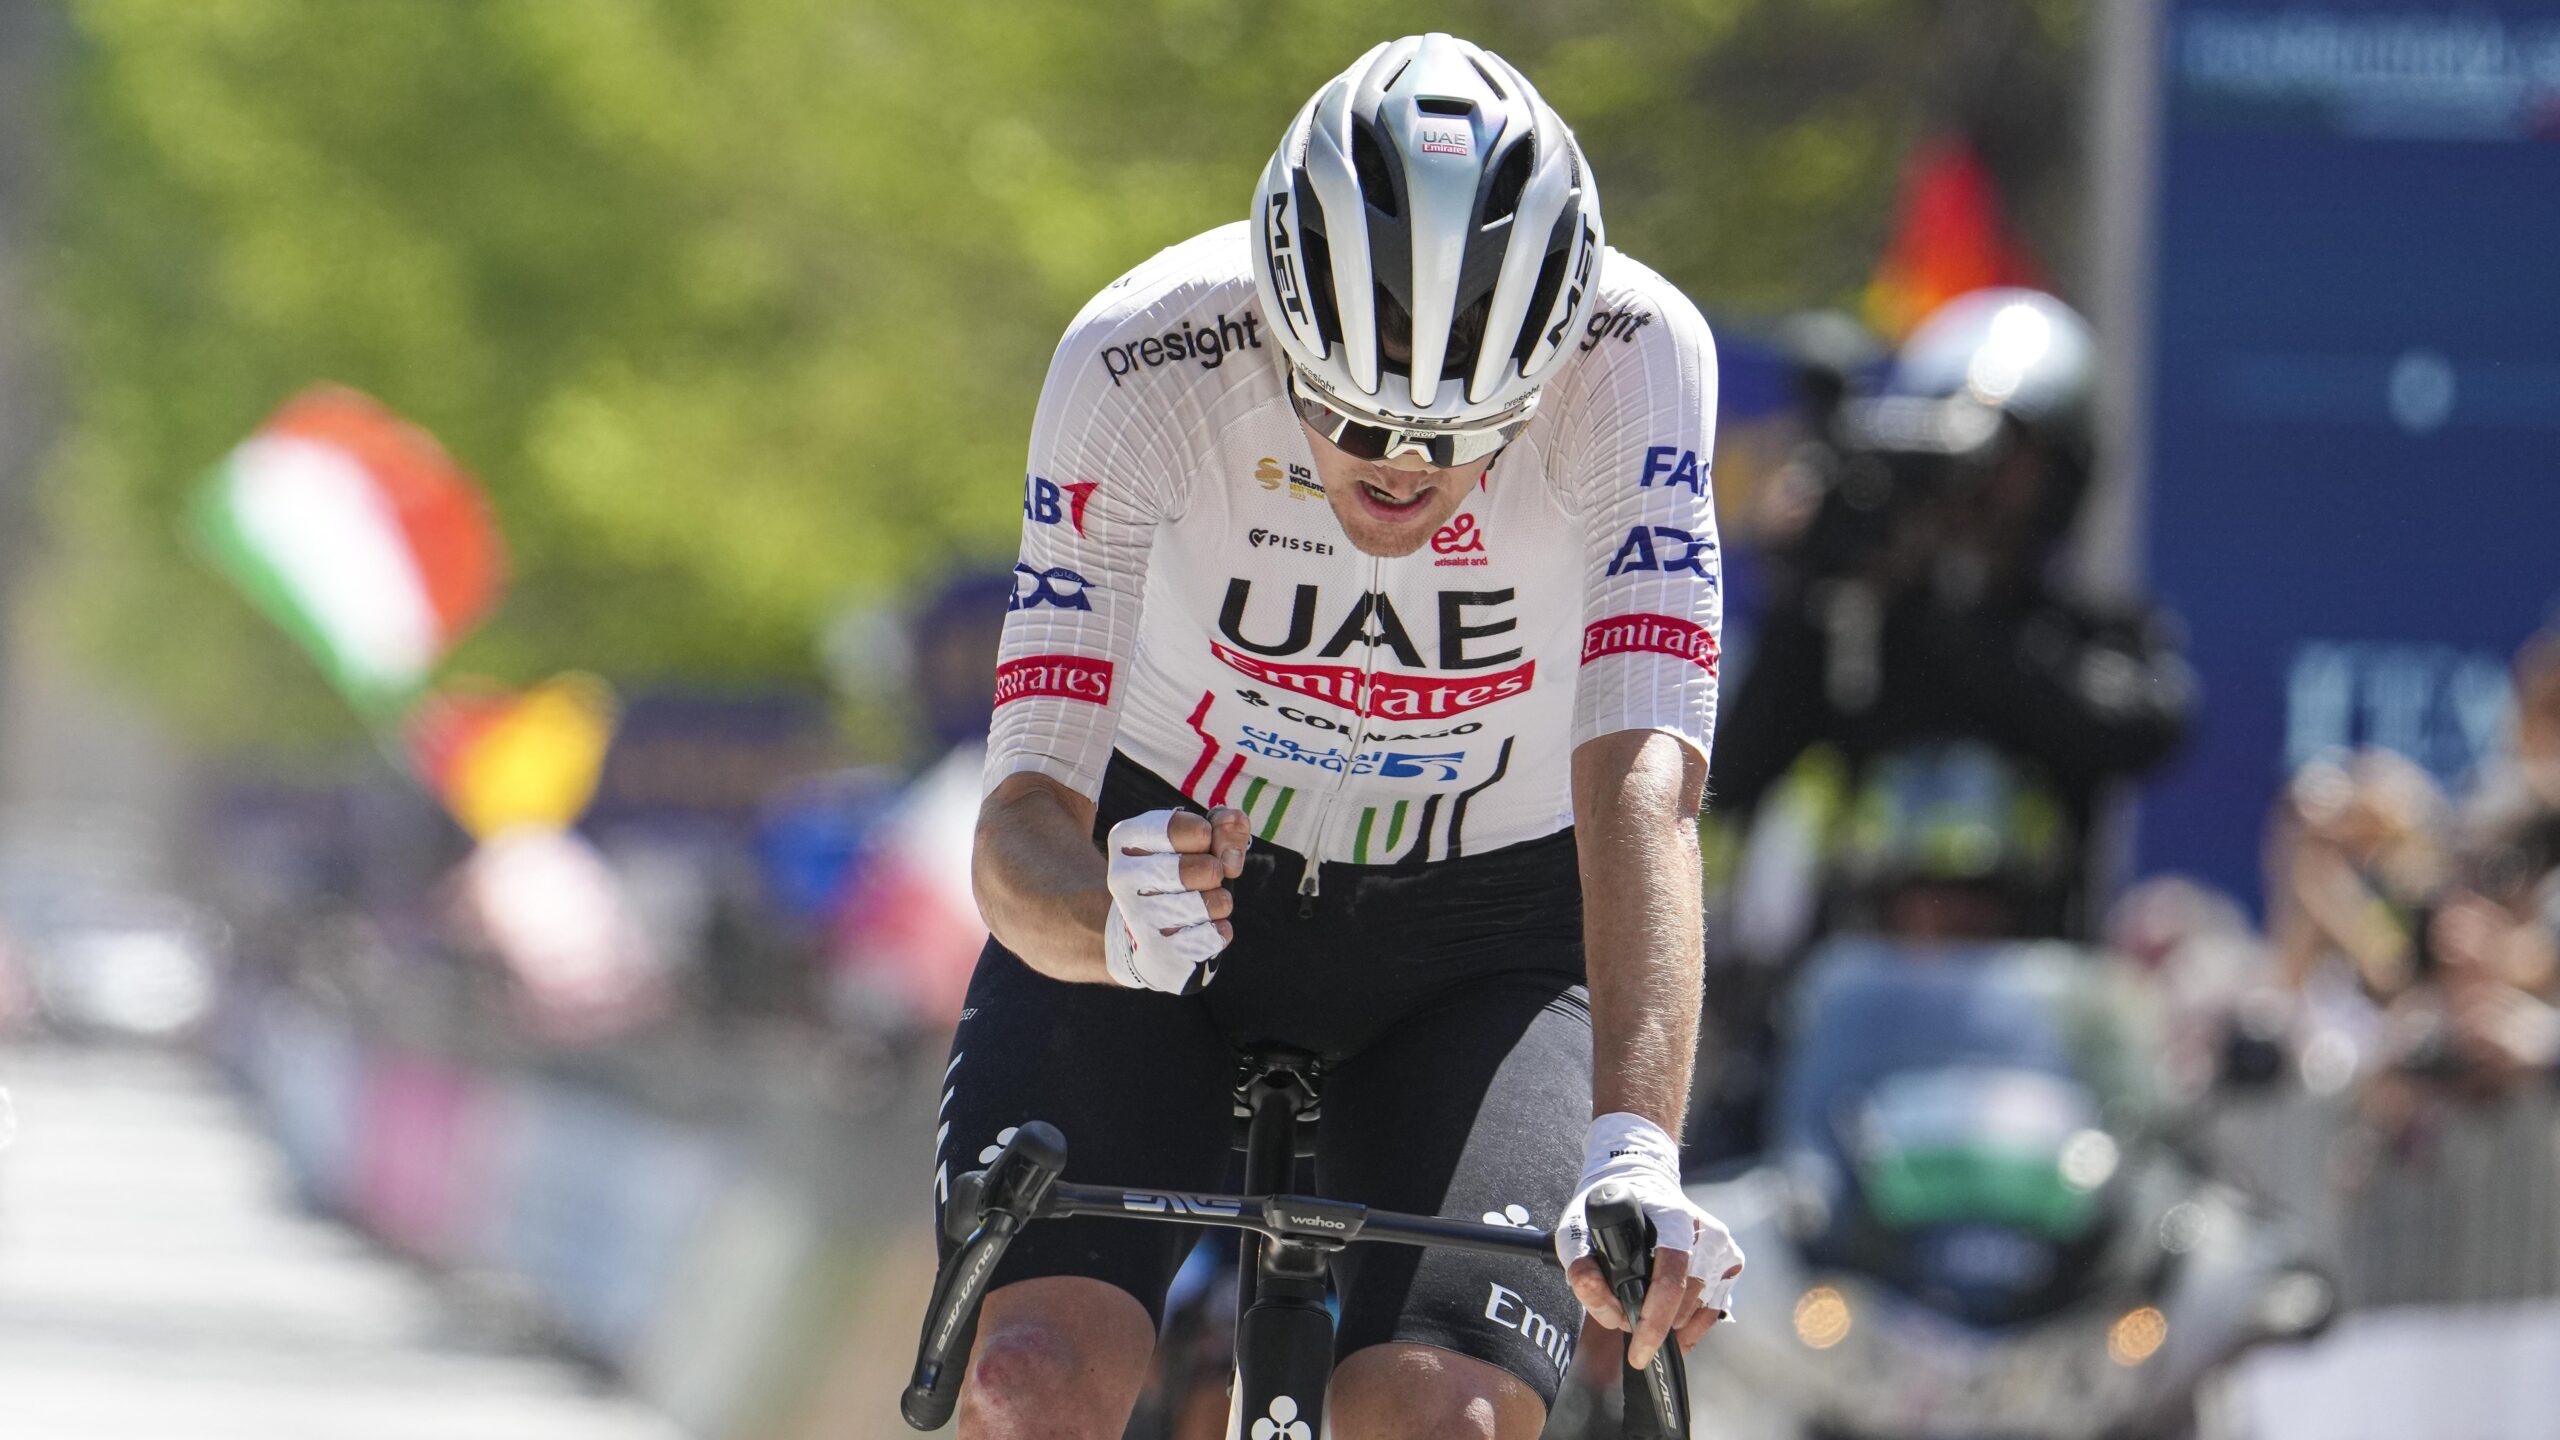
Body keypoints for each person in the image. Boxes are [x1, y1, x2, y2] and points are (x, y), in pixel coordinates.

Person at [941, 34, 1743, 1440]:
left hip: (1488, 946)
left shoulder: (1638, 357)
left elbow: (1644, 774)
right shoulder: (1143, 355)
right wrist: (1104, 921)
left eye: (1468, 432)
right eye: (1350, 415)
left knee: (1447, 1417)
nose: (1403, 469)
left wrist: (1637, 1145)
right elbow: (1019, 823)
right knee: (1031, 1379)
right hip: (1167, 885)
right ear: (1273, 324)